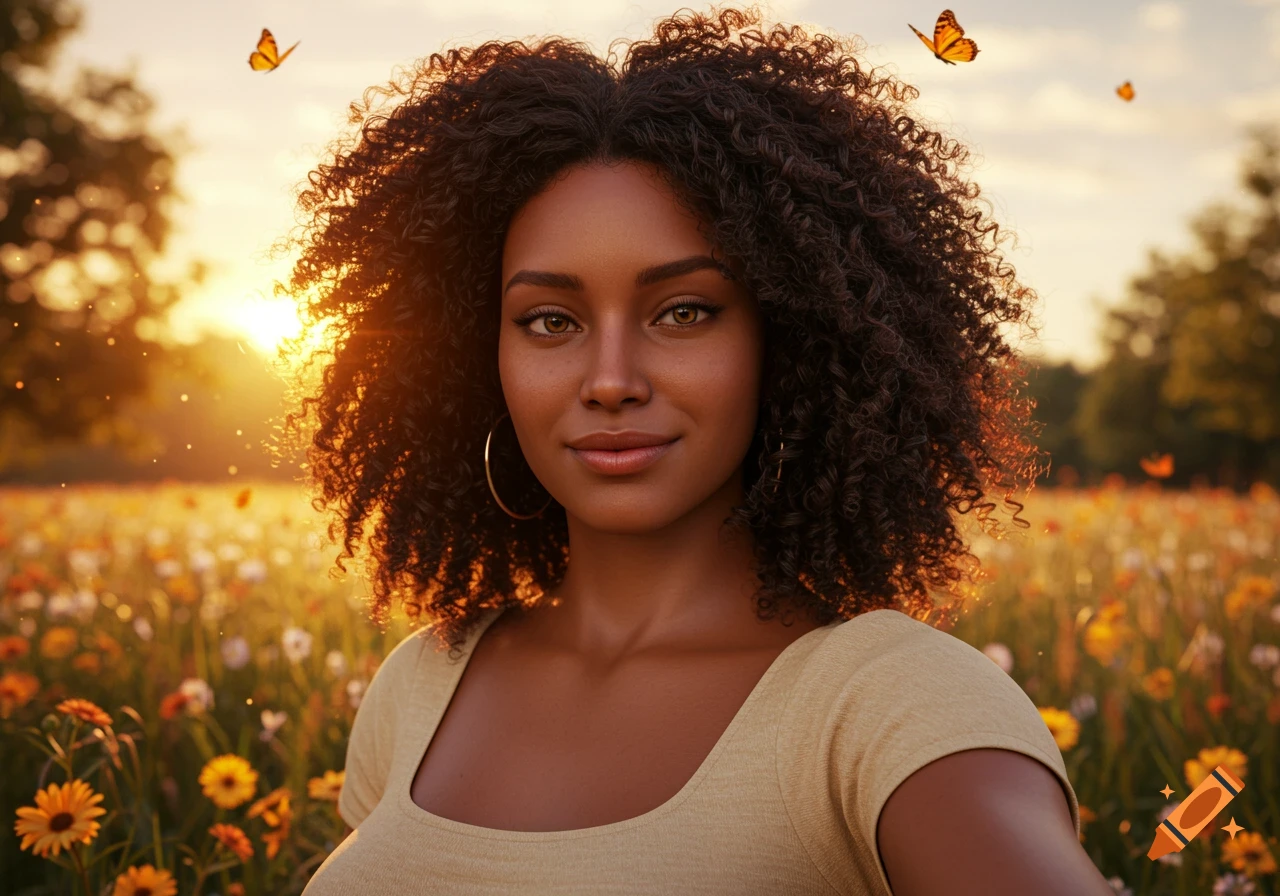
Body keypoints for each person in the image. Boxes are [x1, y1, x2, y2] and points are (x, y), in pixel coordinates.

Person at [288, 5, 1113, 893]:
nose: (611, 379)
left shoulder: (889, 706)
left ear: (791, 339)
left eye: (683, 312)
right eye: (549, 320)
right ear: (473, 357)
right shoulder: (422, 685)